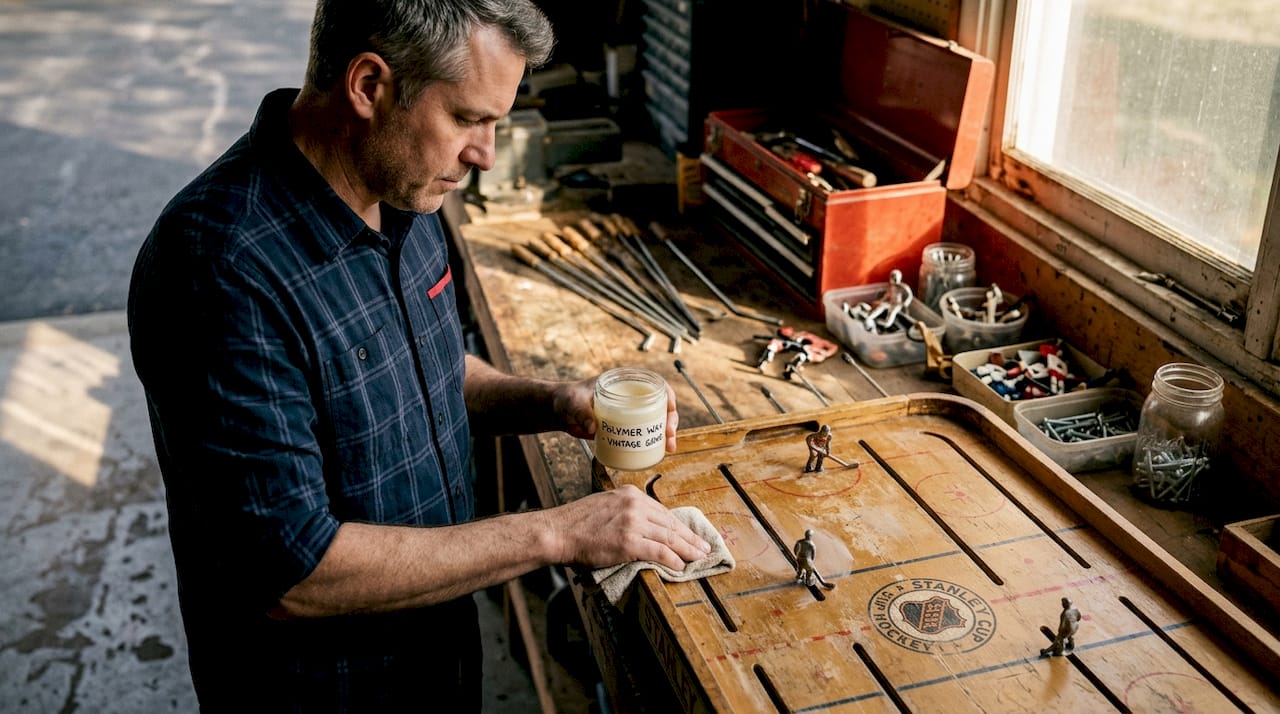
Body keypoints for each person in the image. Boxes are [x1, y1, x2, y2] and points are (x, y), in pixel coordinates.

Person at [127, 1, 711, 710]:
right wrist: (558, 533)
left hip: (439, 658)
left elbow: (424, 368)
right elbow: (293, 573)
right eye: (467, 119)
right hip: (329, 693)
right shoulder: (220, 266)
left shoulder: (403, 190)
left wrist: (554, 401)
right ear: (370, 86)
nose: (484, 155)